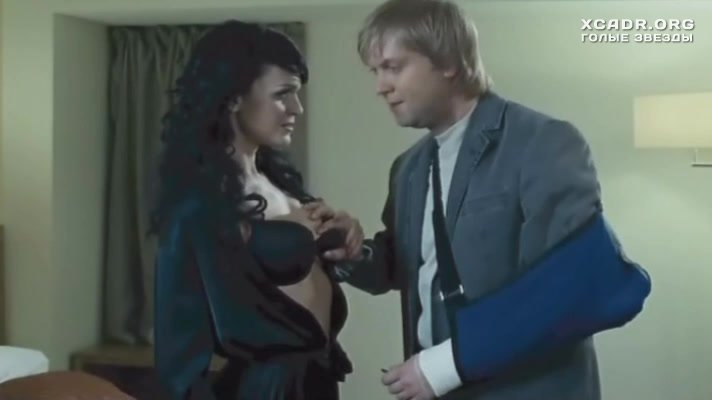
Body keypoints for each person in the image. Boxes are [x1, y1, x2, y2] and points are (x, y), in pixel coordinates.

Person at [314, 0, 651, 399]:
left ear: (447, 62)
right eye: (376, 71)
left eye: (393, 67)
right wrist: (355, 254)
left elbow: (575, 285)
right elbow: (408, 266)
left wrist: (446, 365)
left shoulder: (543, 142)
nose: (380, 87)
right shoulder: (408, 168)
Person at [149, 20, 364, 400]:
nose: (297, 108)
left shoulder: (283, 185)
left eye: (297, 93)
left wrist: (348, 241)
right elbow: (178, 361)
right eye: (283, 94)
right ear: (233, 98)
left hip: (317, 383)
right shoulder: (199, 207)